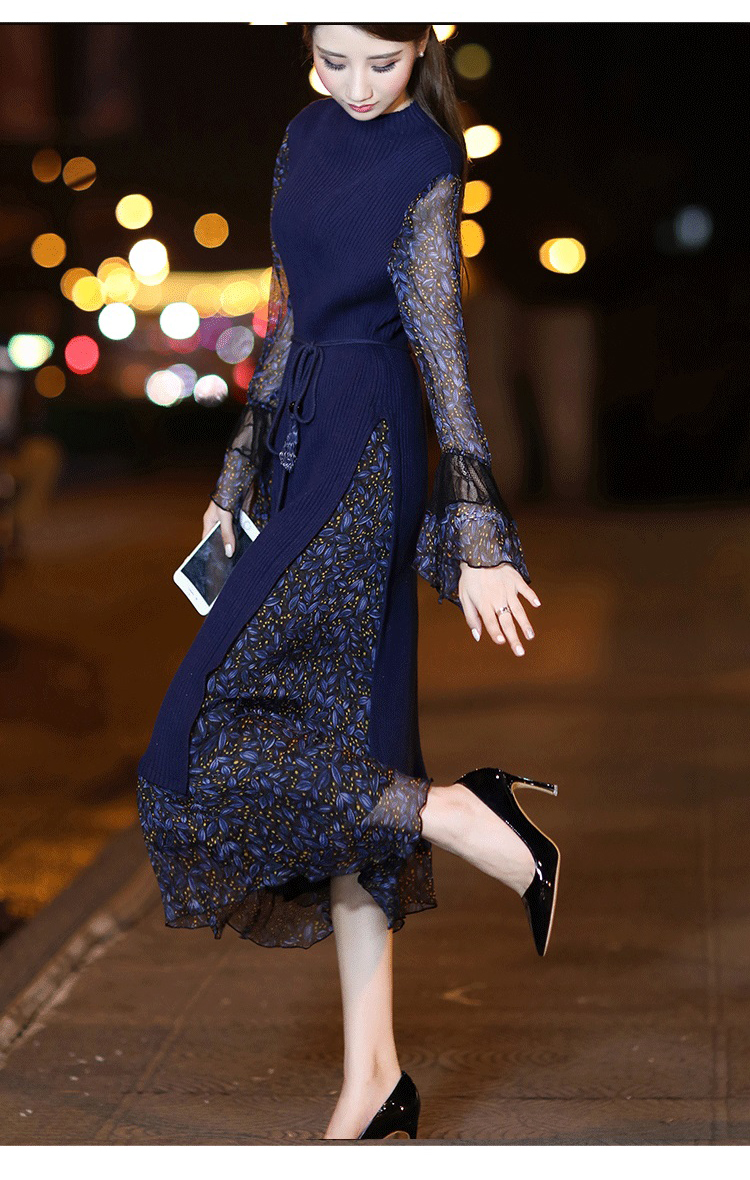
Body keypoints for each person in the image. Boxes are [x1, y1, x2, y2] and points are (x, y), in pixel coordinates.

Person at [135, 23, 561, 1141]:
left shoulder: (422, 157)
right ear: (308, 46)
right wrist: (235, 472)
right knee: (348, 748)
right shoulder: (303, 136)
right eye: (337, 61)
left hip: (369, 446)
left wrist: (475, 525)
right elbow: (284, 317)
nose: (361, 86)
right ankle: (373, 1079)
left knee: (191, 741)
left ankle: (459, 813)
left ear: (421, 45)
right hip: (299, 440)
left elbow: (440, 342)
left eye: (384, 60)